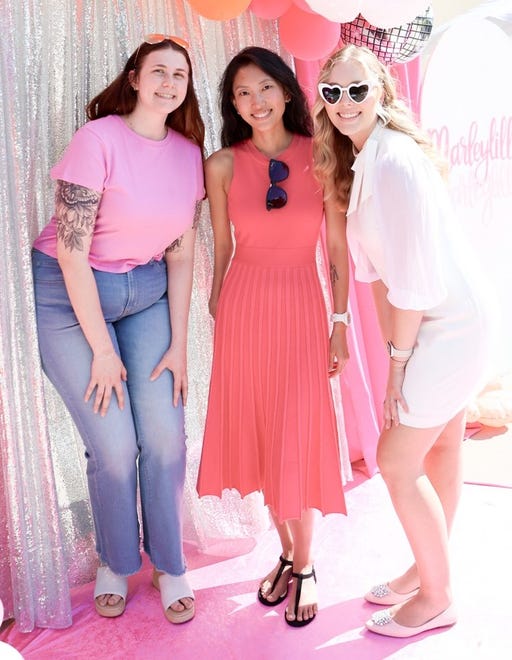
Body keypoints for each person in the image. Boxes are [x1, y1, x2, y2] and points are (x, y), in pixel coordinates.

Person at [313, 44, 492, 638]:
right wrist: (398, 355)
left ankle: (438, 596)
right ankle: (426, 568)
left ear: (382, 91)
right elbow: (379, 281)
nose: (344, 103)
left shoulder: (393, 161)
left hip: (447, 326)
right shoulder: (364, 159)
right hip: (436, 320)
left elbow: (410, 283)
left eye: (357, 89)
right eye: (332, 92)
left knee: (394, 458)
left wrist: (398, 365)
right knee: (440, 447)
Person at [31, 34, 205, 624]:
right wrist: (102, 352)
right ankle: (114, 559)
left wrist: (180, 344)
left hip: (147, 296)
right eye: (158, 71)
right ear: (134, 78)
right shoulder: (97, 139)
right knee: (113, 445)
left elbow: (181, 254)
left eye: (179, 75)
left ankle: (169, 561)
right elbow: (73, 254)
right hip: (69, 296)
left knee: (163, 437)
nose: (168, 83)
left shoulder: (188, 155)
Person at [196, 46, 348, 628]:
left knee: (298, 438)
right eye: (242, 93)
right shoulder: (221, 165)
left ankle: (306, 566)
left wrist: (340, 322)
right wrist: (217, 303)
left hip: (303, 308)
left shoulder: (323, 155)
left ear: (286, 91)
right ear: (232, 104)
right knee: (262, 434)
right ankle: (286, 553)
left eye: (264, 88)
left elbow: (335, 250)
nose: (254, 101)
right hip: (243, 310)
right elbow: (222, 245)